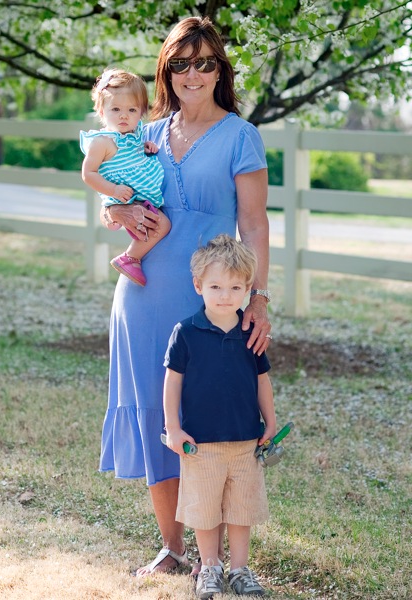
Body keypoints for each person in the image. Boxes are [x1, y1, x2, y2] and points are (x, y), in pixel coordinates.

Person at [97, 16, 272, 577]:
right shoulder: (143, 131)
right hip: (142, 297)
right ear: (166, 71)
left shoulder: (240, 136)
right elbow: (110, 201)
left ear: (219, 70)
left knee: (210, 425)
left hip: (210, 305)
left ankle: (213, 557)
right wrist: (119, 210)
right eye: (180, 63)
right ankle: (173, 548)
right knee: (159, 418)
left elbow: (255, 223)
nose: (191, 74)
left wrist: (258, 298)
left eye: (204, 63)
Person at [163, 234, 276, 598]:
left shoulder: (250, 332)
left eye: (235, 288)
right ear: (198, 286)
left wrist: (271, 421)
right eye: (215, 287)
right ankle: (210, 567)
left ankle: (240, 570)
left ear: (247, 290)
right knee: (205, 509)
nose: (225, 295)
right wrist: (173, 427)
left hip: (245, 440)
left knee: (241, 509)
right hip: (201, 443)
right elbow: (172, 383)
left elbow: (262, 380)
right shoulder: (185, 332)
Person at [80, 68, 171, 286]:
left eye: (132, 109)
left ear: (141, 112)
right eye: (116, 109)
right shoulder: (102, 142)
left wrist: (146, 147)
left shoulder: (136, 135)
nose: (124, 115)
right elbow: (88, 173)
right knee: (163, 224)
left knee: (153, 226)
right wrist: (113, 191)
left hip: (137, 195)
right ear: (101, 111)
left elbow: (134, 156)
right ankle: (130, 258)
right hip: (124, 196)